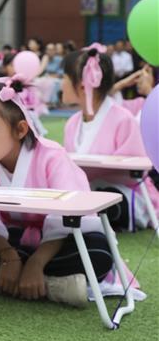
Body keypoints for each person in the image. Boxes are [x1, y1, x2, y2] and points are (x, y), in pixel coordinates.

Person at [0, 78, 113, 307]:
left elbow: (70, 215)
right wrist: (7, 255)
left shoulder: (52, 156)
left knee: (99, 251)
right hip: (8, 240)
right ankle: (52, 285)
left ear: (20, 129)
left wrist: (36, 262)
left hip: (55, 244)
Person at [61, 46, 158, 230]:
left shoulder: (123, 119)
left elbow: (136, 170)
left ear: (83, 85)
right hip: (86, 191)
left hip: (124, 193)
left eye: (64, 78)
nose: (61, 84)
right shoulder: (72, 123)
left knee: (107, 201)